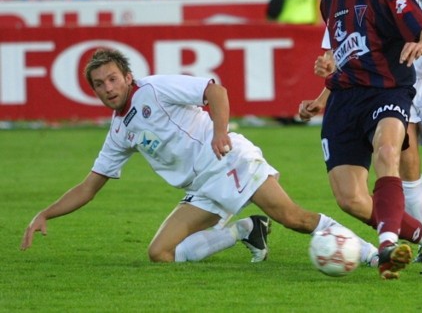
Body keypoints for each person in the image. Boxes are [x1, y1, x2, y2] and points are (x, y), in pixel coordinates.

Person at [21, 48, 379, 268]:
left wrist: (221, 131)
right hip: (204, 186)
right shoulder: (119, 131)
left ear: (127, 76)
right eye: (99, 84)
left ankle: (370, 253)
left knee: (294, 217)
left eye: (112, 79)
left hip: (228, 160)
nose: (108, 88)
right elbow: (89, 186)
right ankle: (245, 230)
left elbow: (214, 90)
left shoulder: (155, 89)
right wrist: (45, 213)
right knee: (160, 253)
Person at [299, 0, 422, 280]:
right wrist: (324, 81)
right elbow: (345, 53)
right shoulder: (329, 3)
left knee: (388, 153)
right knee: (350, 199)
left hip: (387, 90)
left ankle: (387, 245)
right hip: (345, 100)